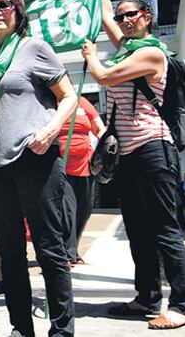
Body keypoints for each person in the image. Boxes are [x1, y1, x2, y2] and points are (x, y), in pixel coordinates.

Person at [81, 0, 185, 330]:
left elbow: (103, 77)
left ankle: (182, 305)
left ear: (147, 16)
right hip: (128, 154)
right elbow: (103, 15)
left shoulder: (150, 52)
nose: (125, 20)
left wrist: (90, 56)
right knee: (138, 229)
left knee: (164, 229)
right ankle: (147, 298)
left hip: (154, 148)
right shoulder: (126, 47)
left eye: (132, 14)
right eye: (122, 16)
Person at [0, 0, 77, 337]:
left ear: (18, 12)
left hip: (35, 161)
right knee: (10, 254)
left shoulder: (35, 49)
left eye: (6, 5)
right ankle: (21, 328)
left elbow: (69, 96)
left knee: (49, 248)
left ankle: (62, 329)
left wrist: (50, 132)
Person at [59, 96, 105, 265]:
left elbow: (98, 126)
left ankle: (73, 248)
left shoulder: (82, 102)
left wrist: (107, 142)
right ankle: (66, 254)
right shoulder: (49, 103)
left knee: (84, 210)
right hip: (61, 165)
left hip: (86, 164)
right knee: (68, 210)